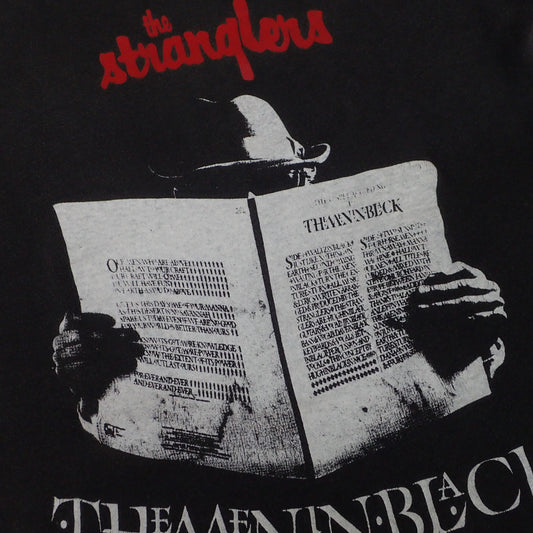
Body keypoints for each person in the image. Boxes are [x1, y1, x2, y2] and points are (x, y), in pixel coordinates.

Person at [52, 94, 506, 425]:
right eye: (222, 189)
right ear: (183, 196)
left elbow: (469, 379)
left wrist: (479, 339)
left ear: (308, 177)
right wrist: (90, 385)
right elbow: (111, 417)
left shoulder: (378, 249)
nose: (251, 202)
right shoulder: (144, 282)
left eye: (273, 182)